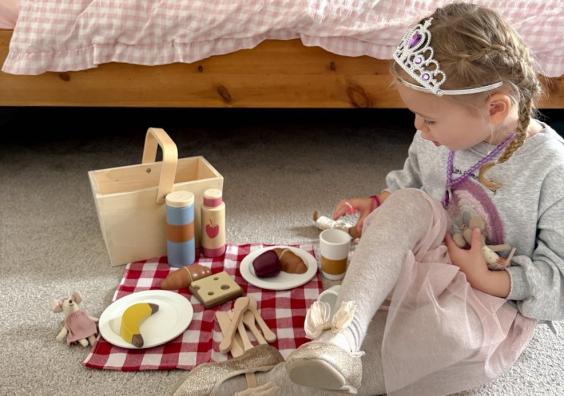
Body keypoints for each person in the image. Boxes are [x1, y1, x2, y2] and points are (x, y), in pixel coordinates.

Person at [284, 3, 564, 395]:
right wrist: (383, 202)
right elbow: (412, 184)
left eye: (429, 119)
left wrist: (489, 278)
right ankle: (342, 336)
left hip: (488, 295)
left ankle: (325, 380)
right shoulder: (435, 135)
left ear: (495, 108)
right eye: (416, 115)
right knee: (408, 205)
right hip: (426, 257)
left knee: (449, 337)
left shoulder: (552, 168)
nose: (418, 127)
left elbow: (559, 279)